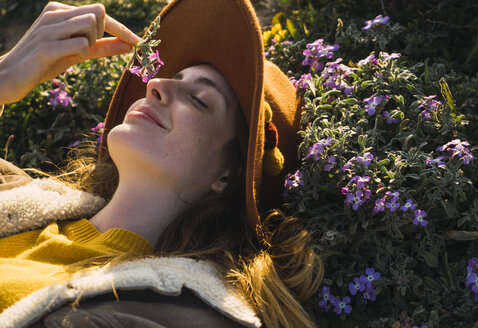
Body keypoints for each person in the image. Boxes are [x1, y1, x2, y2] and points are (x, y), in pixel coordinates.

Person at [0, 0, 323, 327]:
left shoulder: (175, 312)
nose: (155, 84)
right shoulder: (13, 191)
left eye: (199, 100)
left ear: (227, 176)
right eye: (171, 76)